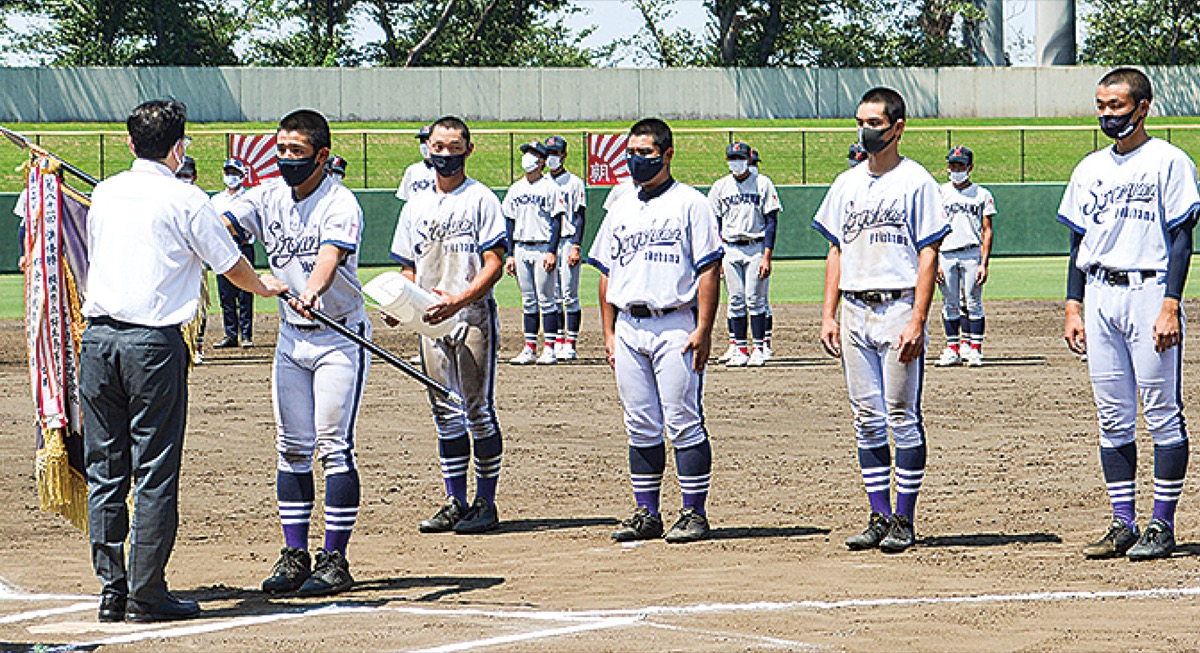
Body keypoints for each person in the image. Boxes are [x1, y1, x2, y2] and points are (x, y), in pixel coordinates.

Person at [81, 99, 285, 623]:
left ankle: (112, 588)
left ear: (130, 144)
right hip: (152, 344)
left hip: (98, 340)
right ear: (178, 147)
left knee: (106, 470)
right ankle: (146, 593)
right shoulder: (188, 199)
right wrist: (265, 287)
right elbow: (230, 263)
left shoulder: (104, 192)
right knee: (154, 470)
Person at [223, 109, 372, 595]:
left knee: (333, 447)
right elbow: (224, 221)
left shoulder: (340, 201)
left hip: (338, 336)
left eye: (295, 152)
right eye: (280, 150)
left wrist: (311, 289)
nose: (285, 159)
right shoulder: (266, 196)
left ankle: (335, 559)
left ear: (321, 156)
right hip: (291, 338)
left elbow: (330, 256)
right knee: (291, 448)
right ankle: (294, 555)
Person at [1061, 68, 1198, 561]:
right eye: (1101, 105)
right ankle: (1123, 522)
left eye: (1116, 106)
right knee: (1113, 416)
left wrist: (1170, 304)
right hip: (1099, 294)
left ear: (1143, 107)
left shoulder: (1168, 161)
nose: (1105, 114)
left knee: (1163, 413)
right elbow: (1077, 242)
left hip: (1149, 291)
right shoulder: (1089, 168)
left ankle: (1161, 526)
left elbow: (1183, 239)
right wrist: (1073, 304)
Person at [813, 87, 949, 554]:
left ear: (897, 127)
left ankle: (904, 520)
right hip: (853, 309)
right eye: (860, 122)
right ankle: (878, 515)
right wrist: (828, 314)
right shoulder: (846, 182)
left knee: (901, 416)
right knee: (866, 419)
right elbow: (835, 250)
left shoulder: (918, 181)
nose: (865, 130)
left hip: (897, 308)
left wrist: (917, 319)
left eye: (874, 123)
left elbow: (929, 253)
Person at [587, 117, 723, 544]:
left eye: (645, 153)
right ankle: (646, 512)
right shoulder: (620, 203)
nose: (634, 160)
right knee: (640, 424)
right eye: (631, 151)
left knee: (683, 421)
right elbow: (606, 273)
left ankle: (693, 512)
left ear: (666, 155)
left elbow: (708, 271)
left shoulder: (691, 203)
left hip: (675, 323)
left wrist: (704, 328)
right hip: (629, 324)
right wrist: (608, 332)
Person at [389, 115, 508, 535]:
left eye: (453, 147)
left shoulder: (482, 199)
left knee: (478, 410)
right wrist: (398, 303)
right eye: (437, 147)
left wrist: (460, 299)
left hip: (471, 314)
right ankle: (455, 500)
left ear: (468, 150)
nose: (444, 154)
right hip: (428, 318)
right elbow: (407, 266)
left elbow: (494, 262)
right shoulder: (415, 204)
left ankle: (486, 502)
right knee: (444, 413)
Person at [708, 141, 780, 367]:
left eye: (740, 158)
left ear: (748, 159)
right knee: (736, 300)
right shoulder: (720, 186)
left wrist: (767, 255)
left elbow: (771, 222)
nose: (736, 162)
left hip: (755, 246)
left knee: (755, 299)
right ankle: (740, 349)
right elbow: (713, 224)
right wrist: (717, 256)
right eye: (732, 158)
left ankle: (759, 347)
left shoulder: (762, 183)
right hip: (730, 248)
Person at [503, 140, 567, 365]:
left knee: (547, 300)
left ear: (541, 161)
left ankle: (549, 347)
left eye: (532, 154)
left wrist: (552, 251)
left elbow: (557, 221)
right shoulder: (516, 188)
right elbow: (509, 222)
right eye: (526, 153)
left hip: (542, 248)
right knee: (529, 301)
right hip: (521, 247)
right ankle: (529, 347)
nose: (527, 158)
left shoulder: (550, 187)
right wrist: (509, 254)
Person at [934, 146, 996, 368]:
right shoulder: (939, 192)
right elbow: (932, 227)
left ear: (970, 167)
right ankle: (953, 348)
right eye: (952, 165)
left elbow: (987, 230)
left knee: (973, 302)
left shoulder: (982, 194)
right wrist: (934, 263)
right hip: (946, 253)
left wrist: (983, 262)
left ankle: (975, 349)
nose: (955, 169)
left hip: (971, 252)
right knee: (950, 302)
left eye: (960, 165)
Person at [544, 135, 587, 360]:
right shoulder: (542, 183)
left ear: (564, 155)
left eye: (556, 153)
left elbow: (580, 216)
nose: (552, 158)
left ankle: (571, 342)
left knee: (569, 294)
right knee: (554, 293)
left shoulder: (574, 182)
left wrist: (577, 245)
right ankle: (558, 339)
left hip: (568, 239)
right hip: (547, 243)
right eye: (549, 153)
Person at [211, 158, 256, 349]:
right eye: (228, 173)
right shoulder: (216, 200)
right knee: (225, 294)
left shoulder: (248, 198)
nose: (231, 177)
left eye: (235, 173)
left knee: (245, 292)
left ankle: (246, 335)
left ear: (242, 176)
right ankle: (231, 334)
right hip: (222, 248)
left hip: (243, 246)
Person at [397, 124, 436, 202]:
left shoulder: (447, 170)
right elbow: (405, 198)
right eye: (422, 141)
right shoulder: (413, 170)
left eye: (428, 140)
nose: (425, 144)